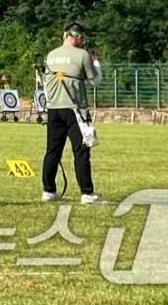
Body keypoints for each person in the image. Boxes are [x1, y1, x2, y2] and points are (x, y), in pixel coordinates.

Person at [41, 21, 103, 204]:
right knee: (81, 150)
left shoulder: (51, 55)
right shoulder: (83, 55)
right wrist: (96, 63)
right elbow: (96, 81)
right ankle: (87, 193)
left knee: (53, 151)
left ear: (64, 35)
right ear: (79, 37)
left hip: (53, 109)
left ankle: (48, 190)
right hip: (75, 110)